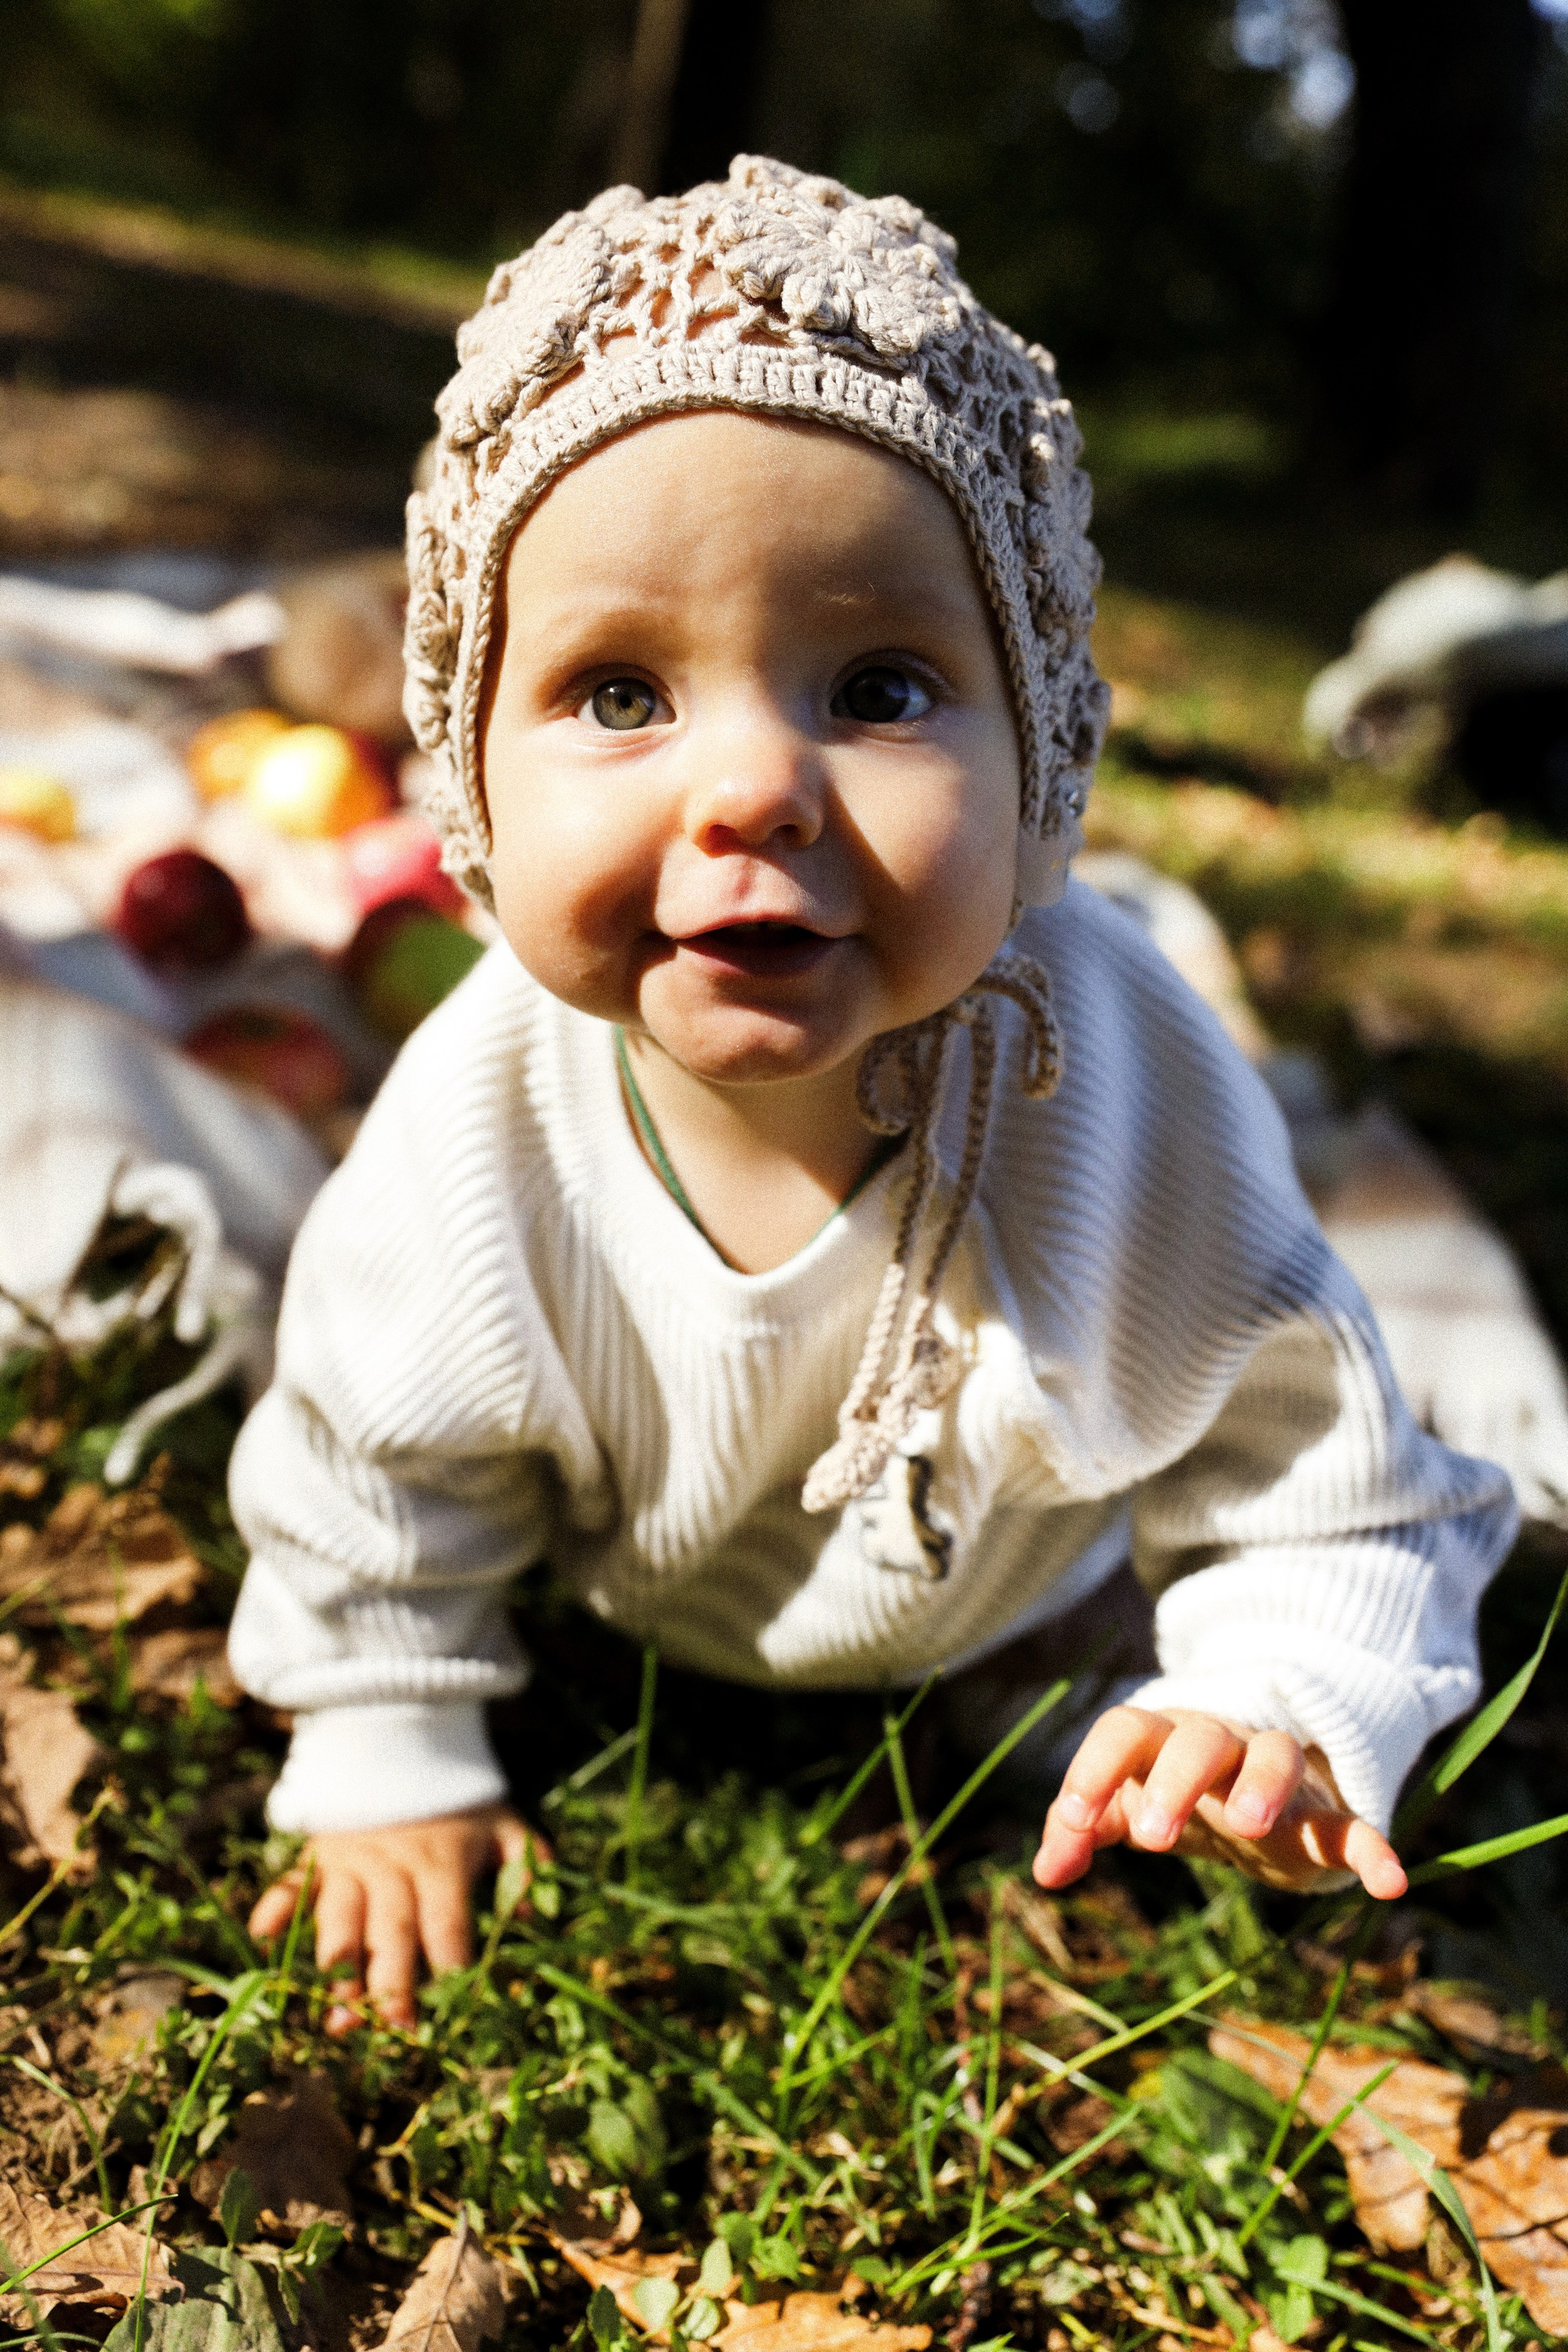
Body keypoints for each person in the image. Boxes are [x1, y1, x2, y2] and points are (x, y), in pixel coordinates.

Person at [229, 158, 1517, 2032]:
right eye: (615, 693)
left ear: (1045, 755)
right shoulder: (484, 1116)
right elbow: (369, 1460)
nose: (751, 784)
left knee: (1145, 1727)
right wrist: (390, 1739)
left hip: (1029, 1620)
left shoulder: (1118, 1083)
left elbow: (1306, 1461)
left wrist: (1281, 1694)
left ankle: (1146, 1732)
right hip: (621, 1639)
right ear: (469, 783)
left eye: (886, 684)